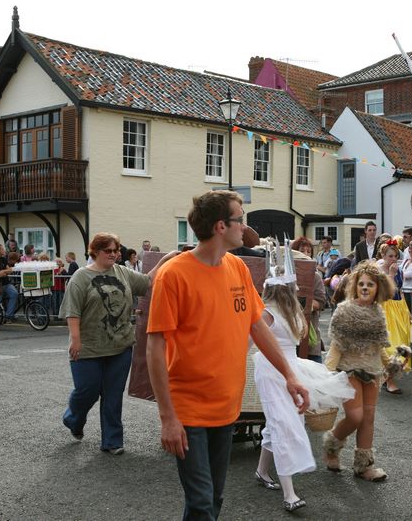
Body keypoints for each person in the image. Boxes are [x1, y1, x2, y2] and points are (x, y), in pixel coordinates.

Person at [145, 190, 309, 520]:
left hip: (226, 405)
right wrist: (167, 418)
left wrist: (290, 375)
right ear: (221, 226)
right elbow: (155, 346)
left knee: (214, 497)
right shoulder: (174, 274)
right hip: (188, 409)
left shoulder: (236, 267)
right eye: (240, 218)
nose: (244, 226)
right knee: (202, 501)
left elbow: (258, 327)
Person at [252, 251, 353, 512]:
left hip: (289, 368)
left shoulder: (291, 310)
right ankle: (289, 493)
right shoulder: (269, 313)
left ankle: (262, 472)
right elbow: (252, 341)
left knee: (281, 423)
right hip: (271, 370)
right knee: (282, 424)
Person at [60, 232, 154, 455]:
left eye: (116, 250)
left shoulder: (122, 272)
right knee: (88, 390)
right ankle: (74, 418)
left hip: (120, 346)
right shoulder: (80, 278)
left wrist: (170, 257)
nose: (113, 254)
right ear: (95, 252)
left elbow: (149, 281)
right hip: (88, 347)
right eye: (108, 251)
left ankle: (112, 440)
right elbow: (72, 311)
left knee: (113, 395)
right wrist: (75, 340)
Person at [323, 261, 394, 482]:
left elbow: (379, 345)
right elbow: (336, 346)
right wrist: (326, 373)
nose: (365, 288)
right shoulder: (344, 311)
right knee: (355, 416)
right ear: (355, 286)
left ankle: (363, 466)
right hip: (349, 370)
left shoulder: (378, 312)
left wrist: (390, 363)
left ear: (378, 288)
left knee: (368, 418)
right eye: (361, 284)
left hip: (372, 371)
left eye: (370, 284)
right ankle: (331, 447)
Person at [375, 240, 412, 394]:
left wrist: (408, 311)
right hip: (385, 309)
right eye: (390, 256)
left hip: (399, 308)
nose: (393, 259)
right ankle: (389, 381)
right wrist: (390, 274)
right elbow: (385, 293)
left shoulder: (399, 271)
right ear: (383, 256)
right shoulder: (378, 272)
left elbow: (400, 291)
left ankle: (386, 377)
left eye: (396, 256)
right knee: (390, 347)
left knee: (402, 345)